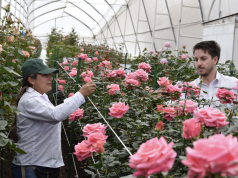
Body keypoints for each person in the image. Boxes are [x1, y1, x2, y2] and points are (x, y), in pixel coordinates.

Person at [12, 58, 96, 178]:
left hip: (44, 165)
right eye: (45, 75)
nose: (50, 78)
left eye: (50, 75)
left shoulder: (41, 97)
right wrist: (80, 94)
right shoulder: (29, 100)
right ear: (31, 80)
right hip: (30, 166)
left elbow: (54, 113)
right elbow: (55, 115)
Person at [155, 40, 238, 106]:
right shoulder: (189, 89)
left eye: (203, 58)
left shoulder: (232, 84)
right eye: (196, 59)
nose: (198, 63)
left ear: (215, 60)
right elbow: (172, 107)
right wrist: (157, 99)